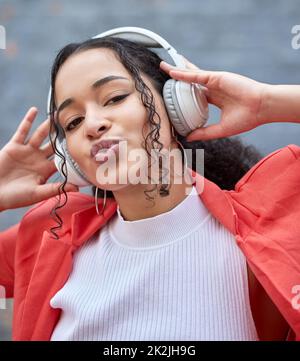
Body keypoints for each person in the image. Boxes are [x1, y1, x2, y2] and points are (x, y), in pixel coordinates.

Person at [0, 36, 299, 341]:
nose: (92, 124)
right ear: (70, 157)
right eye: (73, 122)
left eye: (115, 98)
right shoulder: (49, 235)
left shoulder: (272, 222)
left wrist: (266, 102)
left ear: (177, 105)